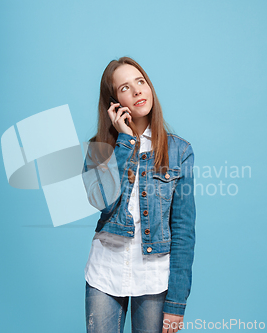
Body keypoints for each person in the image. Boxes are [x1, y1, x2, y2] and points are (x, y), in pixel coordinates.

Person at [82, 56, 196, 333]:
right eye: (124, 88)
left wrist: (177, 303)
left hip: (154, 276)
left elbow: (183, 229)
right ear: (114, 103)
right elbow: (102, 202)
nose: (136, 91)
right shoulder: (98, 148)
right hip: (105, 272)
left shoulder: (179, 151)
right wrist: (124, 142)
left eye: (140, 82)